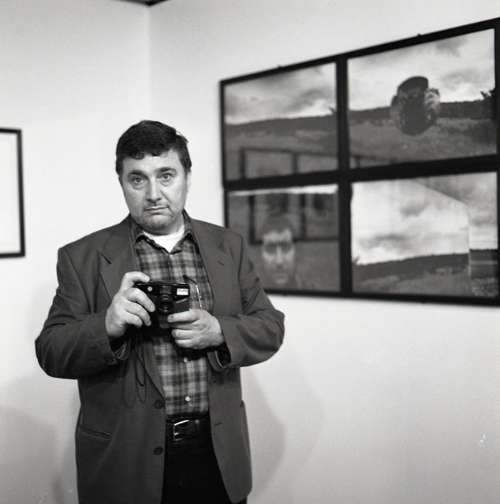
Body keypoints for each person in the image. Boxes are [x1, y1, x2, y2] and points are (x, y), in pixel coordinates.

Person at [35, 120, 284, 504]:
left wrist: (219, 331)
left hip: (217, 454)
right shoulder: (81, 257)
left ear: (187, 176)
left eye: (166, 175)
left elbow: (270, 327)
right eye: (137, 179)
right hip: (126, 461)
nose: (153, 194)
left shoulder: (228, 245)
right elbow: (50, 350)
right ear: (121, 183)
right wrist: (106, 325)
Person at [260, 214, 302, 289]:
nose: (279, 261)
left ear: (297, 253)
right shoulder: (247, 295)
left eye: (286, 247)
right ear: (260, 256)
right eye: (270, 249)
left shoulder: (313, 294)